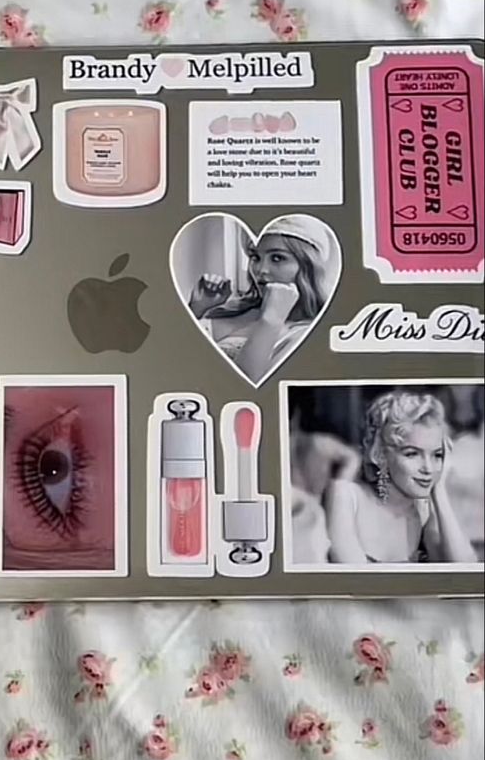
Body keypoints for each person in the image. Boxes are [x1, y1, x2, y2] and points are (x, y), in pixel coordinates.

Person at [325, 390, 478, 564]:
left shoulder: (424, 512)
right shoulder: (345, 496)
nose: (428, 468)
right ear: (380, 454)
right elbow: (355, 583)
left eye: (436, 455)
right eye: (412, 454)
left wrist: (439, 491)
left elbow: (467, 572)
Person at [188, 215, 335, 383]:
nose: (261, 270)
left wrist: (271, 321)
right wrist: (197, 309)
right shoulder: (232, 307)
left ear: (307, 266)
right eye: (255, 257)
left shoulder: (313, 332)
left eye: (277, 258)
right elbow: (169, 354)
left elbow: (243, 386)